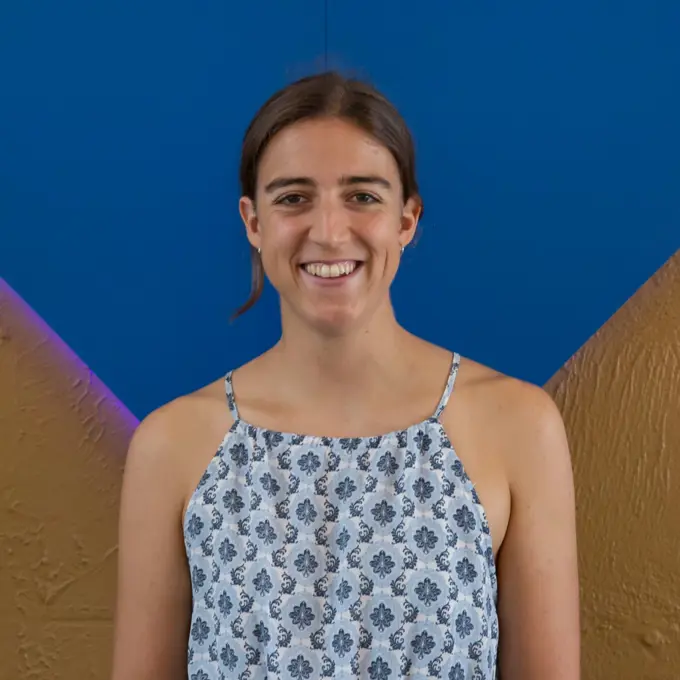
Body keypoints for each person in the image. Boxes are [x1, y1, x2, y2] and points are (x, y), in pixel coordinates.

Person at [111, 71, 580, 680]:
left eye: (362, 196)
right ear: (253, 223)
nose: (329, 232)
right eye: (292, 198)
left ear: (407, 219)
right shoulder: (172, 446)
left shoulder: (518, 425)